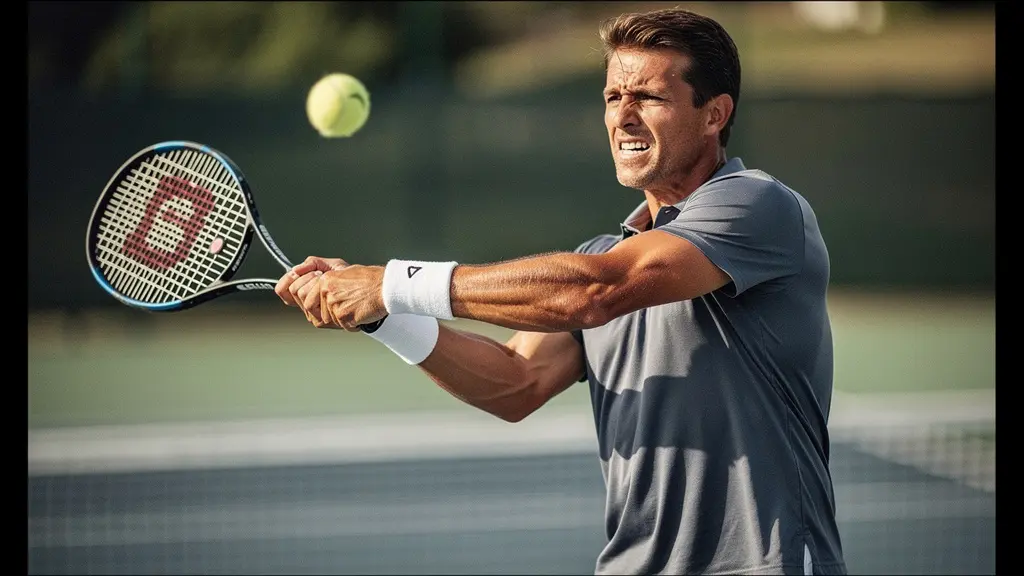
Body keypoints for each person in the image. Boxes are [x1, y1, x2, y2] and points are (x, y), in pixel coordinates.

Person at [274, 7, 847, 576]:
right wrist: (384, 315)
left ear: (714, 114)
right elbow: (514, 383)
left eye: (648, 97)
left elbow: (596, 292)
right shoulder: (604, 255)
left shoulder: (757, 206)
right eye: (611, 97)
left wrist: (390, 282)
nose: (622, 117)